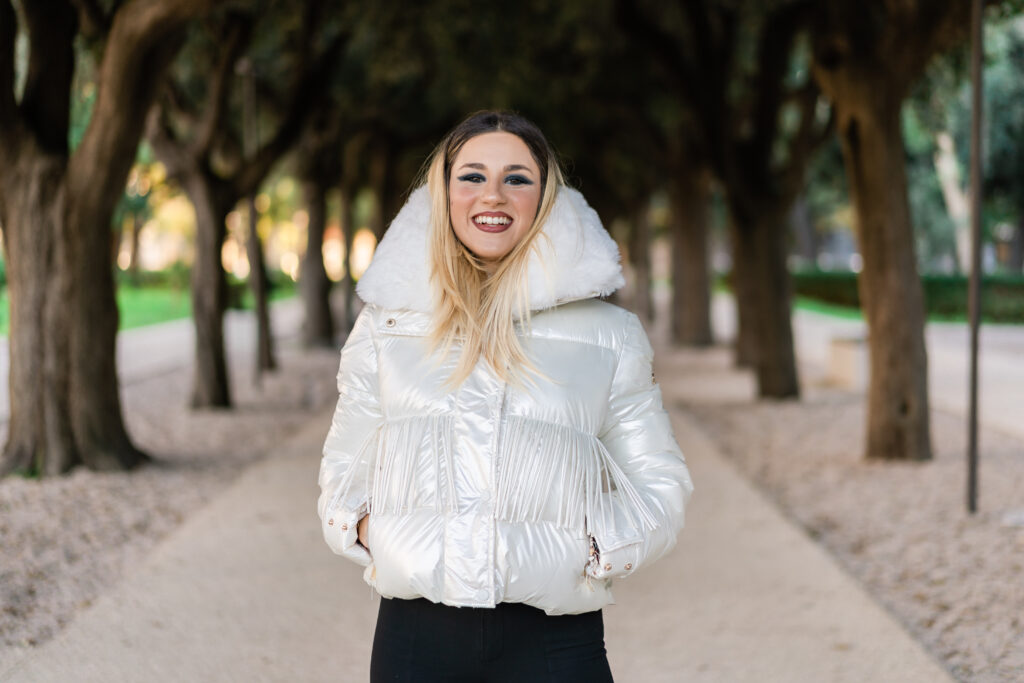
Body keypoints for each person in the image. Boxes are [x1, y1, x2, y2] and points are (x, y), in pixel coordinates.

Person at [317, 110, 693, 682]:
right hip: (414, 640)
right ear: (443, 193)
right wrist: (372, 530)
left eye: (517, 178)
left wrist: (594, 549)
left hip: (555, 644)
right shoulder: (386, 326)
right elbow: (344, 467)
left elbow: (659, 480)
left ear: (544, 199)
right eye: (471, 176)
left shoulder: (609, 334)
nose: (492, 194)